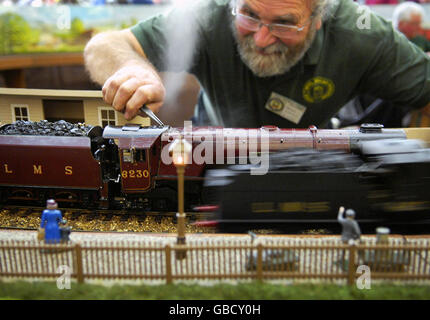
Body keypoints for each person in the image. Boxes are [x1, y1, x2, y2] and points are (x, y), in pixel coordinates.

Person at [84, 0, 430, 128]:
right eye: (249, 15)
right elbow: (105, 44)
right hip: (214, 161)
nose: (262, 38)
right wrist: (134, 69)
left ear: (320, 17)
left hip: (310, 172)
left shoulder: (362, 35)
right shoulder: (208, 14)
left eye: (284, 22)